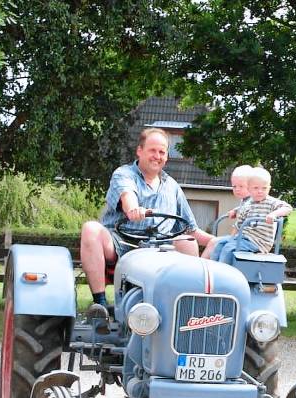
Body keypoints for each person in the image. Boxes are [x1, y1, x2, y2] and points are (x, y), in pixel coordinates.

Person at [80, 128, 214, 308]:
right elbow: (128, 195)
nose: (157, 156)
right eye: (152, 150)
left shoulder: (172, 186)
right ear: (140, 150)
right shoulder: (125, 174)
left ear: (166, 156)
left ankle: (188, 306)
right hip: (123, 243)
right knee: (91, 229)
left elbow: (191, 229)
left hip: (162, 247)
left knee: (188, 241)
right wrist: (133, 209)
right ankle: (100, 304)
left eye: (162, 152)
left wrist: (216, 240)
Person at [210, 167, 293, 264]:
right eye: (256, 188)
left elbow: (288, 208)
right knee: (220, 244)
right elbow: (239, 225)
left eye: (264, 188)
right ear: (249, 189)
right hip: (245, 238)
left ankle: (224, 272)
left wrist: (273, 214)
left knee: (229, 247)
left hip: (259, 242)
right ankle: (213, 269)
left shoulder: (271, 202)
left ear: (269, 188)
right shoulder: (248, 205)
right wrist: (231, 238)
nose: (260, 191)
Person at [200, 164, 253, 259]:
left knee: (214, 242)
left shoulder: (251, 203)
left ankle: (204, 268)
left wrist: (232, 237)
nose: (237, 189)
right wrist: (236, 210)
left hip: (246, 239)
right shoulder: (247, 200)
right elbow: (243, 208)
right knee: (215, 242)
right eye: (234, 186)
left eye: (241, 186)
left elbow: (239, 225)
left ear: (252, 186)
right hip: (243, 238)